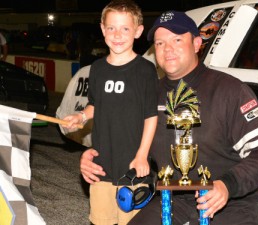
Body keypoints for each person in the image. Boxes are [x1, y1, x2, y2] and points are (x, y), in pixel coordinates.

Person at [80, 10, 258, 225]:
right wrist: (94, 158)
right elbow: (128, 143)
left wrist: (227, 185)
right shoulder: (149, 93)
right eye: (159, 43)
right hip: (172, 199)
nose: (167, 48)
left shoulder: (229, 90)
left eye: (177, 39)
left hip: (230, 203)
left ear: (196, 44)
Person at [63, 1, 158, 225]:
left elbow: (151, 116)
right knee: (101, 220)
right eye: (111, 28)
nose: (117, 34)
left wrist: (142, 155)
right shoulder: (96, 69)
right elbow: (95, 104)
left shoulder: (145, 70)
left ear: (138, 31)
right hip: (101, 164)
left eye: (125, 28)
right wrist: (81, 116)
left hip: (133, 167)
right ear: (103, 29)